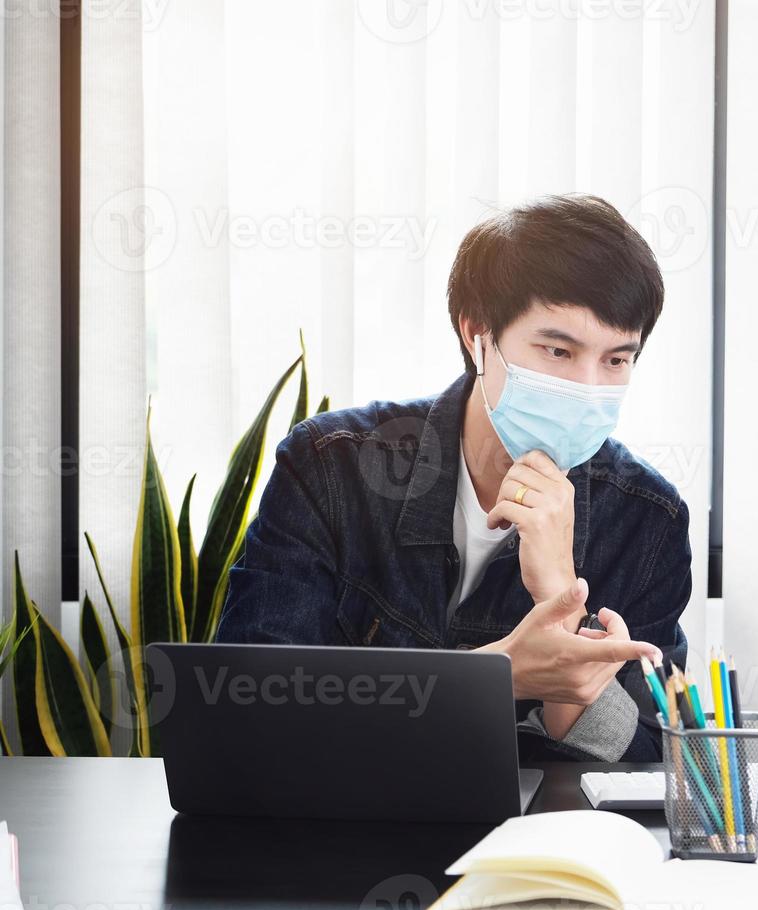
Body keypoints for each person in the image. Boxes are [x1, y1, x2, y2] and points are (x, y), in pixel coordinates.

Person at [215, 194, 692, 764]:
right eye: (558, 350)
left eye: (616, 360)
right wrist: (492, 678)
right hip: (338, 838)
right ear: (478, 334)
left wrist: (564, 613)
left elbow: (665, 765)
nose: (587, 386)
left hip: (537, 846)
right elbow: (246, 713)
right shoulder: (331, 468)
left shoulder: (647, 518)